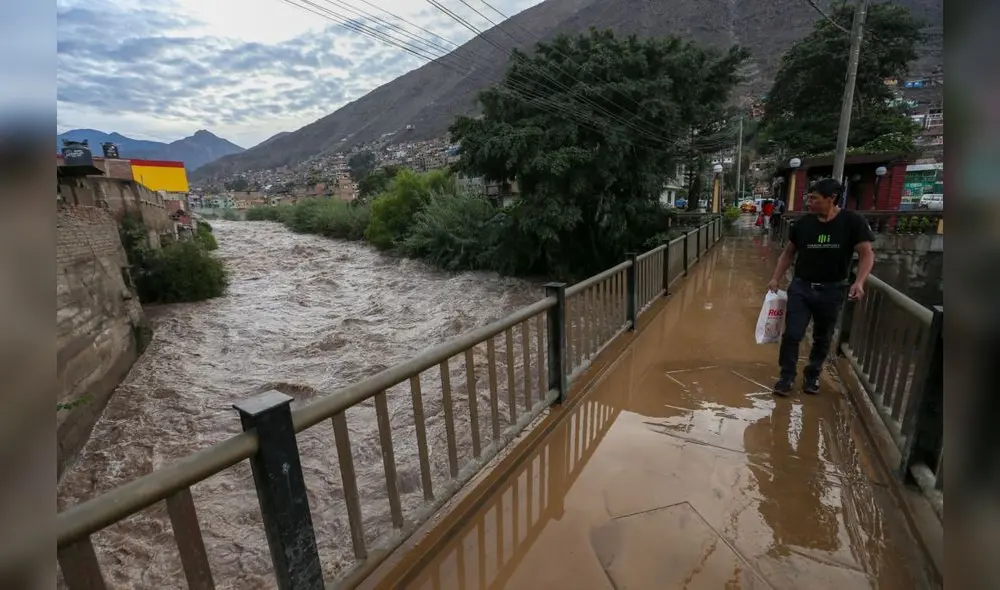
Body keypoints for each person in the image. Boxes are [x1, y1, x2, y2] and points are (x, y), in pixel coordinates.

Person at [767, 178, 875, 395]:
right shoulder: (803, 224)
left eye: (814, 198)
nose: (809, 202)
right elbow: (789, 252)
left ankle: (812, 376)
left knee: (822, 337)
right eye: (808, 198)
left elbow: (866, 254)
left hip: (832, 290)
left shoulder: (852, 222)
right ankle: (786, 377)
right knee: (792, 334)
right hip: (802, 287)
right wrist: (775, 277)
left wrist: (859, 282)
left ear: (831, 198)